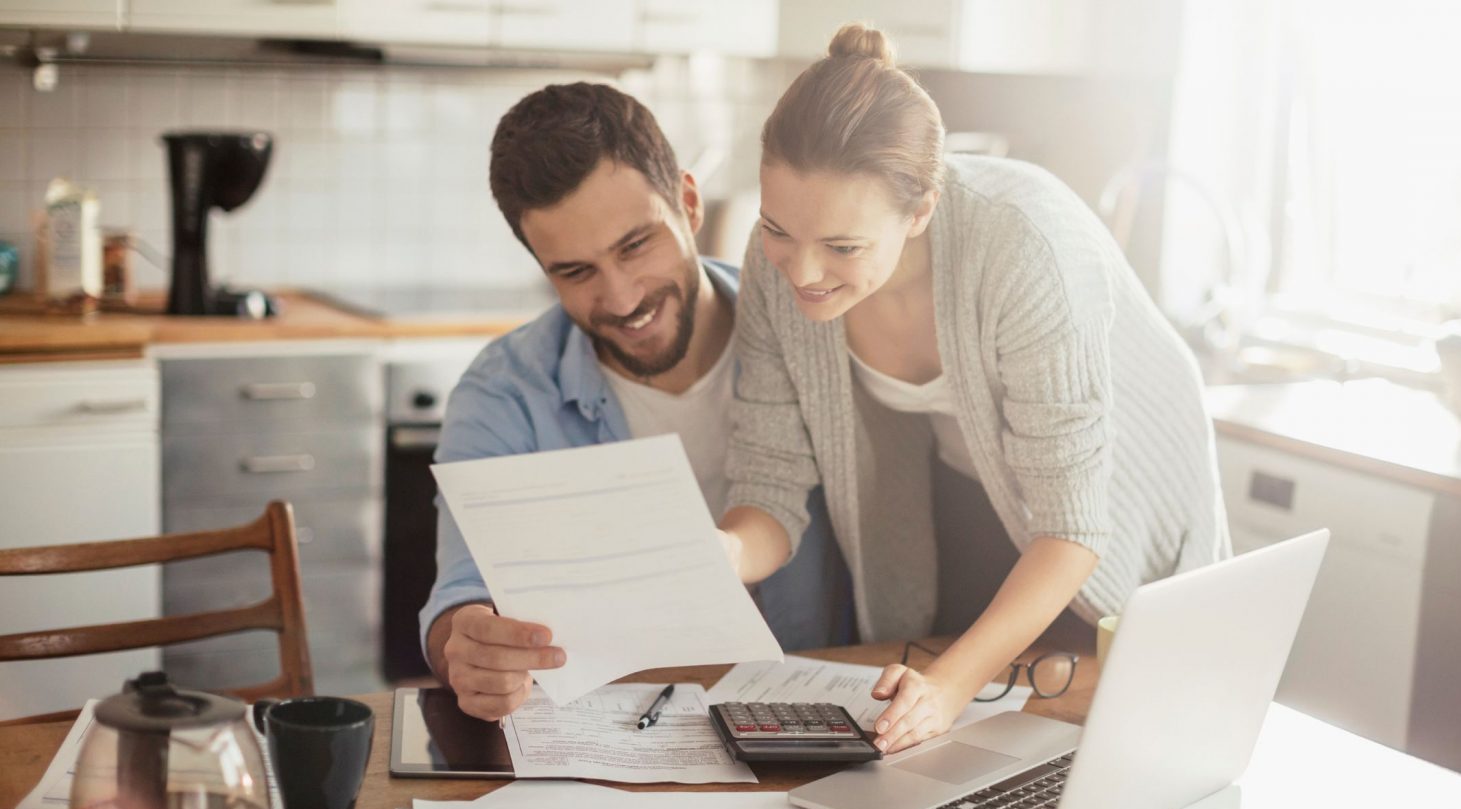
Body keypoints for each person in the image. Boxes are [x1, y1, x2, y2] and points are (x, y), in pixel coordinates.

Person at [718, 24, 1230, 755]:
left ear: (921, 209)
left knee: (1110, 719)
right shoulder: (777, 267)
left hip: (1117, 491)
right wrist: (721, 554)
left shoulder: (1025, 246)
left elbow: (1072, 527)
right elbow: (768, 483)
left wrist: (951, 687)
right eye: (777, 230)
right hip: (970, 473)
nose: (800, 272)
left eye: (843, 246)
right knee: (963, 733)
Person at [421, 82, 849, 721]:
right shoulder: (503, 392)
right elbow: (460, 597)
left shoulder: (811, 333)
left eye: (635, 246)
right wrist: (471, 647)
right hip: (612, 732)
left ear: (689, 201)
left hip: (820, 717)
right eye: (575, 272)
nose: (621, 299)